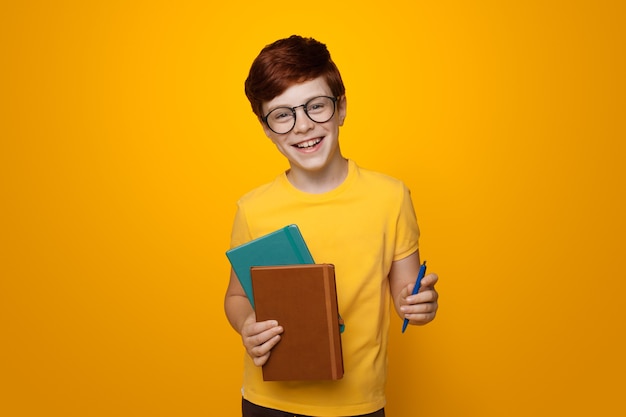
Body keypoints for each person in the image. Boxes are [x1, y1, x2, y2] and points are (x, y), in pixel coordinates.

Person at [224, 35, 439, 417]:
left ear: (341, 109)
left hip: (358, 404)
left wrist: (419, 304)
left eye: (316, 106)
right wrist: (247, 325)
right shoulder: (253, 208)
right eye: (282, 114)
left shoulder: (390, 197)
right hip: (269, 401)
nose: (303, 126)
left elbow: (407, 295)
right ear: (266, 128)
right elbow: (238, 298)